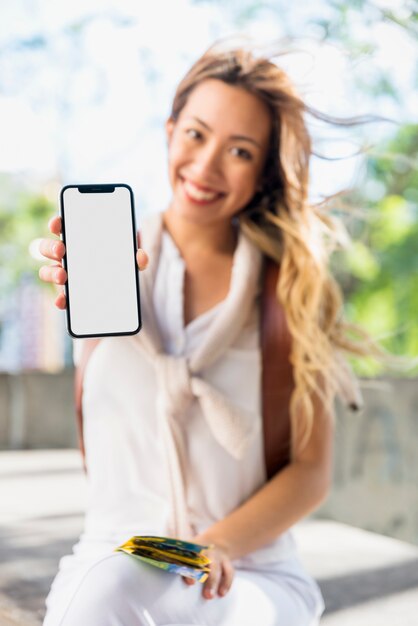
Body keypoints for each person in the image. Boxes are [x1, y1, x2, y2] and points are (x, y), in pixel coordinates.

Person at [38, 41, 364, 626]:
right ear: (169, 131)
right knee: (109, 587)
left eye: (239, 151)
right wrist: (66, 276)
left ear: (262, 170)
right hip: (113, 565)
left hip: (246, 575)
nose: (207, 166)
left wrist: (215, 545)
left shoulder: (287, 292)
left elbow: (311, 472)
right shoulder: (112, 264)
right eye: (196, 134)